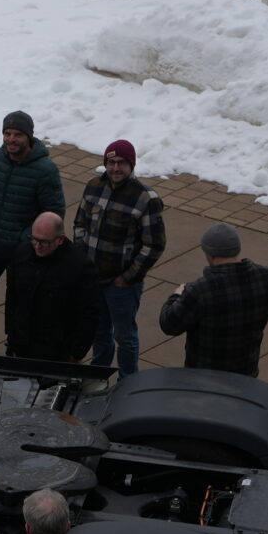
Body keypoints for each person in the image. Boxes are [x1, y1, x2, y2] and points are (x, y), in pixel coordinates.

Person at [0, 111, 64, 353]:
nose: (11, 140)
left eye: (17, 135)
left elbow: (53, 211)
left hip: (22, 252)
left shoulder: (45, 170)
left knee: (19, 306)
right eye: (7, 134)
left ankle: (15, 348)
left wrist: (27, 240)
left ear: (28, 137)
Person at [70, 139, 165, 374]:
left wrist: (129, 277)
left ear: (131, 165)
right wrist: (82, 259)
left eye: (121, 163)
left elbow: (154, 245)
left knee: (125, 338)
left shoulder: (146, 198)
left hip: (121, 285)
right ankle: (98, 377)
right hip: (94, 279)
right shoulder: (93, 186)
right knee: (100, 334)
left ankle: (127, 382)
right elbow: (79, 224)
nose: (115, 168)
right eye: (110, 162)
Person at [158, 223, 268, 378]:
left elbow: (169, 324)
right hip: (246, 376)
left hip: (204, 379)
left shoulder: (200, 291)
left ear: (211, 255)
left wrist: (177, 296)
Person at [2, 211, 101, 363]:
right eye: (34, 239)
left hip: (57, 352)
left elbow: (89, 314)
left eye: (44, 242)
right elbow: (12, 297)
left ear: (60, 239)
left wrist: (77, 353)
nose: (37, 246)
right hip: (22, 344)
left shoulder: (80, 267)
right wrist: (11, 333)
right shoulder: (22, 253)